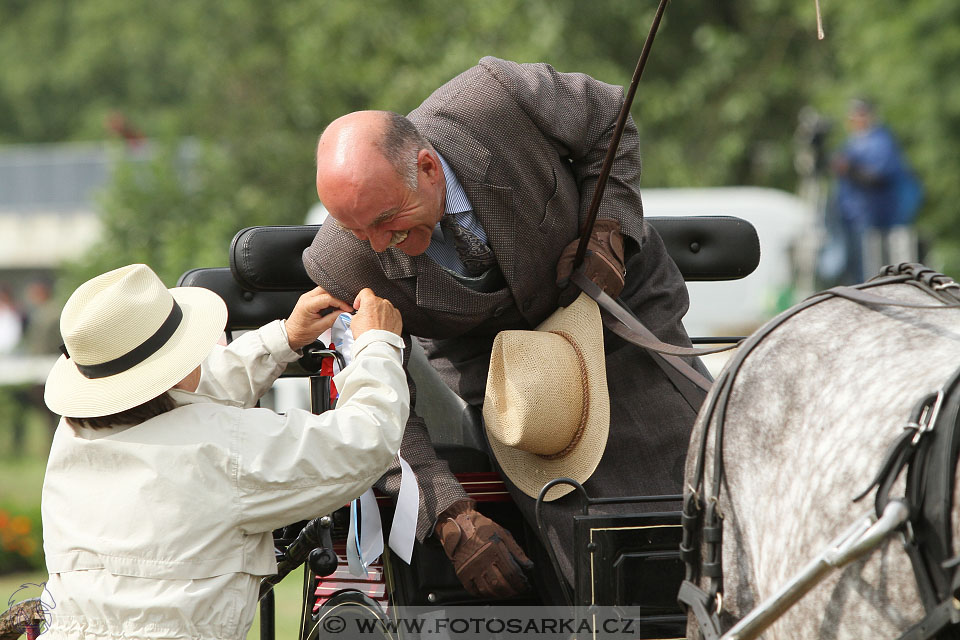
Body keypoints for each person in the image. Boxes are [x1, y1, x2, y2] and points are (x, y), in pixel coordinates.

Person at [303, 57, 706, 596]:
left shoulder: (498, 97)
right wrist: (450, 514)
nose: (376, 245)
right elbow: (378, 403)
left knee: (702, 490)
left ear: (427, 167)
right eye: (357, 229)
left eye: (385, 220)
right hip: (515, 384)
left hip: (618, 308)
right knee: (585, 539)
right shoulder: (341, 261)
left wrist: (608, 228)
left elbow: (611, 117)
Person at [40, 263, 408, 639]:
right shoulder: (223, 446)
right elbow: (367, 439)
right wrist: (377, 344)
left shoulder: (72, 435)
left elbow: (184, 394)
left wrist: (284, 338)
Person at [831, 98, 921, 283]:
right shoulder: (852, 142)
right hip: (853, 216)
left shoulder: (881, 142)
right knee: (854, 267)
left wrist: (849, 169)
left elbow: (878, 178)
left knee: (872, 269)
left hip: (875, 218)